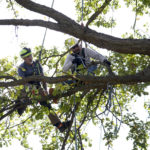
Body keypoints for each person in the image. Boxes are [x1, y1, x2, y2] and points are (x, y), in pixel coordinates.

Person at [16, 47, 71, 132]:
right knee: (24, 92)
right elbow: (22, 82)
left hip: (38, 88)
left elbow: (43, 79)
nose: (30, 57)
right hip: (27, 88)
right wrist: (31, 89)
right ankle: (20, 104)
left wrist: (45, 89)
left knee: (46, 105)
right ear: (24, 58)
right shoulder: (21, 68)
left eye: (30, 55)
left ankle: (59, 125)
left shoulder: (37, 65)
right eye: (27, 57)